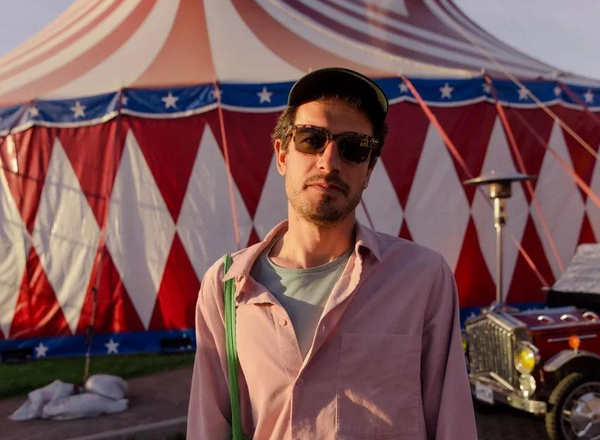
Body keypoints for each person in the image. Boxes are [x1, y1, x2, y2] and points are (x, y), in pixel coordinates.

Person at [187, 67, 477, 440]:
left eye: (354, 147)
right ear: (282, 154)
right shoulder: (227, 285)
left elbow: (452, 424)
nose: (329, 162)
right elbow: (209, 427)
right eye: (311, 139)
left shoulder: (421, 278)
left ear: (369, 169)